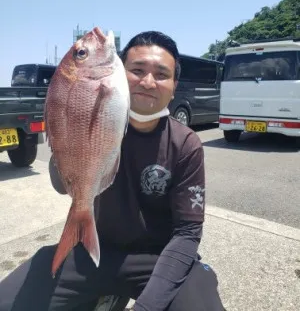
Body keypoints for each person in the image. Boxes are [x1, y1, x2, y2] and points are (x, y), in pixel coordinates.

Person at [0, 31, 224, 311]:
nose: (148, 82)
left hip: (156, 259)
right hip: (94, 251)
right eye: (138, 70)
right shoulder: (102, 114)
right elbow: (60, 185)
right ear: (120, 71)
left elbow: (187, 233)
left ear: (174, 85)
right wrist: (64, 127)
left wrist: (148, 305)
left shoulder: (185, 144)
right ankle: (105, 294)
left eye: (161, 74)